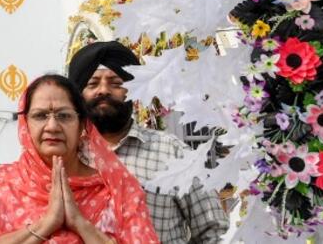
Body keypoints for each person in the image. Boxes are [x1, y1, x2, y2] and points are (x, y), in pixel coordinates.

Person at [0, 74, 158, 243]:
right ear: (25, 124)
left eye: (64, 116)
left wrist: (80, 223)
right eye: (40, 115)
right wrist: (47, 224)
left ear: (82, 126)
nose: (52, 126)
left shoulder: (117, 191)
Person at [69, 42, 228, 244]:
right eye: (92, 84)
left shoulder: (170, 151)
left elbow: (213, 228)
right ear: (77, 94)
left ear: (134, 91)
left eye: (116, 83)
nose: (103, 90)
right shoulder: (67, 156)